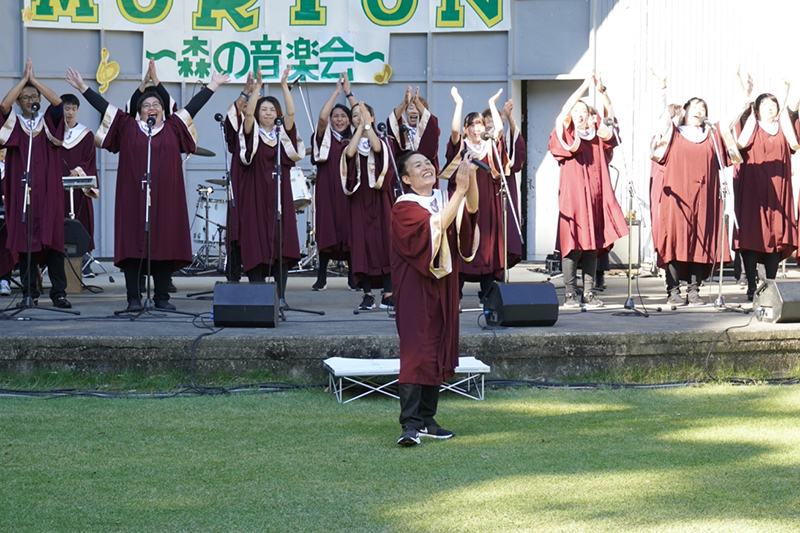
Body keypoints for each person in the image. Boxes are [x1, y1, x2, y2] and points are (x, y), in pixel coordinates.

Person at [65, 66, 229, 312]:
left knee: (165, 244)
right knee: (133, 246)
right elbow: (104, 107)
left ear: (163, 110)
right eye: (146, 105)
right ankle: (133, 298)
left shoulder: (174, 126)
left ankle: (162, 297)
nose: (152, 108)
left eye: (156, 104)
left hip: (167, 199)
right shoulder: (127, 126)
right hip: (133, 198)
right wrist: (82, 88)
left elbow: (194, 107)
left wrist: (213, 85)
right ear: (138, 111)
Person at [392, 151, 478, 446]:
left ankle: (428, 419)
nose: (427, 166)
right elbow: (435, 227)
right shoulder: (404, 207)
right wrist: (461, 191)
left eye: (428, 162)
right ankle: (410, 424)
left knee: (437, 347)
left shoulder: (444, 197)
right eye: (418, 165)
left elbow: (470, 212)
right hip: (416, 286)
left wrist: (471, 179)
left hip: (444, 285)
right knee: (416, 351)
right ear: (406, 179)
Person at [651, 79, 739, 306]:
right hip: (677, 199)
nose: (700, 110)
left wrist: (744, 95)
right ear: (685, 110)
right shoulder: (674, 133)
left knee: (700, 243)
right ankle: (673, 290)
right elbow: (662, 115)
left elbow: (730, 121)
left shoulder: (711, 135)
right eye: (696, 106)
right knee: (675, 242)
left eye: (704, 107)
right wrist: (662, 88)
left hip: (705, 198)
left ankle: (694, 290)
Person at [548, 75, 627, 308]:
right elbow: (564, 112)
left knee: (592, 247)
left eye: (584, 109)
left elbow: (611, 119)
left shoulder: (598, 137)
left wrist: (602, 92)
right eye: (576, 109)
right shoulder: (568, 135)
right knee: (572, 245)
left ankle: (589, 293)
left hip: (596, 195)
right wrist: (583, 86)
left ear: (591, 116)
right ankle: (571, 293)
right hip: (573, 198)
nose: (578, 113)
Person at [0, 58, 71, 309]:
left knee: (54, 242)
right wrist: (22, 82)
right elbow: (3, 105)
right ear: (20, 102)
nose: (30, 100)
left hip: (49, 194)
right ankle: (30, 293)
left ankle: (59, 293)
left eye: (34, 96)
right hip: (23, 193)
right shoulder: (15, 125)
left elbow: (58, 103)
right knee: (25, 242)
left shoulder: (48, 122)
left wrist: (35, 81)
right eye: (25, 97)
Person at [235, 67, 304, 300]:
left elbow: (292, 116)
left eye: (271, 109)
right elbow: (248, 116)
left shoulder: (281, 133)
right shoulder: (250, 132)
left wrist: (284, 87)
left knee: (281, 240)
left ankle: (280, 297)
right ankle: (257, 295)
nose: (267, 113)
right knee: (255, 240)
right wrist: (256, 89)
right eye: (263, 109)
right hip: (255, 194)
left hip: (279, 195)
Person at [729, 71, 798, 301]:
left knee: (776, 239)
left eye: (773, 104)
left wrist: (787, 92)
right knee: (751, 237)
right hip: (752, 191)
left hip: (778, 191)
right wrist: (744, 90)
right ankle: (750, 285)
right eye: (765, 104)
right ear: (757, 108)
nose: (770, 107)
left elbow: (792, 120)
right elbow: (738, 137)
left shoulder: (782, 130)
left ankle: (769, 285)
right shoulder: (751, 126)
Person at [443, 87, 506, 300]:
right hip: (462, 204)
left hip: (487, 203)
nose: (477, 129)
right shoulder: (460, 147)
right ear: (466, 128)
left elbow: (498, 129)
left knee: (487, 248)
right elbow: (453, 131)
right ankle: (456, 294)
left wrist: (491, 103)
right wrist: (458, 103)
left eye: (479, 124)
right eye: (472, 125)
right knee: (462, 240)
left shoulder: (489, 146)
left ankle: (487, 294)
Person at [341, 101, 395, 310]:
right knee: (361, 244)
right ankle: (367, 294)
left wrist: (367, 126)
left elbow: (377, 149)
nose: (359, 117)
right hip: (359, 200)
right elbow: (350, 154)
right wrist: (359, 128)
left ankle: (389, 293)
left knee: (385, 242)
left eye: (363, 114)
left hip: (380, 199)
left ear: (372, 117)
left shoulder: (382, 141)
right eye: (355, 115)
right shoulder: (348, 143)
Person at [310, 73, 356, 291]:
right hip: (327, 190)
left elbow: (362, 117)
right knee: (327, 229)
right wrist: (337, 92)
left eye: (343, 116)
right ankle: (322, 277)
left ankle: (352, 277)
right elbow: (321, 119)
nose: (339, 119)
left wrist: (349, 93)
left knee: (351, 231)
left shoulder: (356, 138)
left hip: (350, 191)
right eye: (335, 116)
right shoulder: (325, 138)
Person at [483, 98, 525, 269]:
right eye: (487, 122)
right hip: (485, 187)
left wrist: (509, 118)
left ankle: (501, 268)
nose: (491, 124)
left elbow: (518, 151)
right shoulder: (480, 142)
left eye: (494, 120)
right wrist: (502, 118)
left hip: (505, 186)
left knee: (505, 228)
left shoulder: (505, 141)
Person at [60, 93, 99, 277]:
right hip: (57, 189)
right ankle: (55, 263)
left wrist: (77, 170)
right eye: (66, 108)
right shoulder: (52, 133)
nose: (70, 112)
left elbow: (89, 159)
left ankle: (84, 264)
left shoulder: (85, 134)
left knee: (81, 222)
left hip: (78, 190)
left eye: (73, 109)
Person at [388, 86, 440, 174]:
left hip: (425, 174)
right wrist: (405, 103)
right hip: (405, 174)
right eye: (411, 108)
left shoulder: (428, 129)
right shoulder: (402, 129)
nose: (414, 111)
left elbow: (431, 122)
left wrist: (416, 102)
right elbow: (392, 121)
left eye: (418, 108)